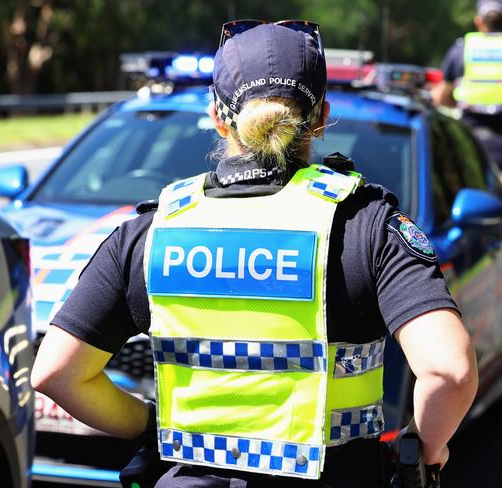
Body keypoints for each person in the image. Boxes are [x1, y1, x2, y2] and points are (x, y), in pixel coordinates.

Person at [32, 20, 478, 487]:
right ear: (322, 117)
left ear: (218, 117)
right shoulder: (369, 226)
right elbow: (448, 370)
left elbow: (57, 373)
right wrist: (422, 449)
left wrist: (151, 425)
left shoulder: (151, 232)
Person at [433, 0, 502, 169]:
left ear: (478, 21)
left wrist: (457, 102)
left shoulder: (462, 49)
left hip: (470, 144)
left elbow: (440, 96)